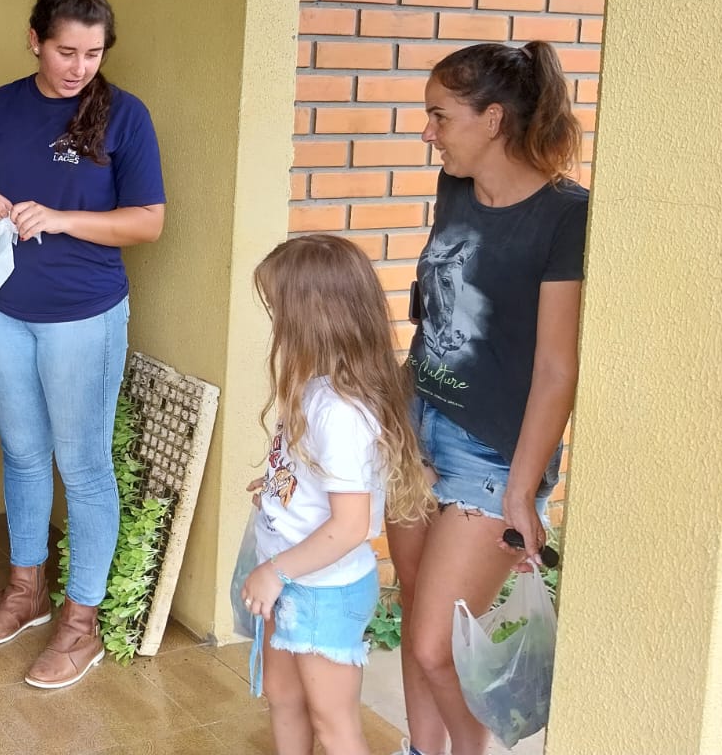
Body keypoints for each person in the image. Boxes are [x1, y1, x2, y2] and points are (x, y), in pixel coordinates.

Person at [0, 0, 165, 689]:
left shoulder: (123, 116)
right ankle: (26, 590)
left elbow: (148, 221)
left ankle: (83, 622)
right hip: (7, 307)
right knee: (21, 452)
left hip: (83, 314)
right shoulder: (0, 106)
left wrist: (64, 218)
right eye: (66, 50)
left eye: (93, 53)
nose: (79, 66)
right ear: (35, 40)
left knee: (83, 464)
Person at [386, 41, 586, 755]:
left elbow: (557, 369)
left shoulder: (567, 217)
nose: (427, 132)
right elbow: (436, 316)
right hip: (416, 424)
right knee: (416, 614)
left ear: (493, 118)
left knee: (437, 643)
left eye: (439, 116)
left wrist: (523, 493)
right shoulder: (456, 189)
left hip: (490, 453)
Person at [238, 235, 432, 755]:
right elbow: (322, 486)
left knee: (333, 724)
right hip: (297, 581)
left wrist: (273, 573)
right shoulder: (318, 388)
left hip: (318, 591)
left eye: (280, 309)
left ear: (312, 317)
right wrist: (281, 490)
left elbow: (349, 526)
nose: (276, 323)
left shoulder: (338, 412)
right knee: (284, 698)